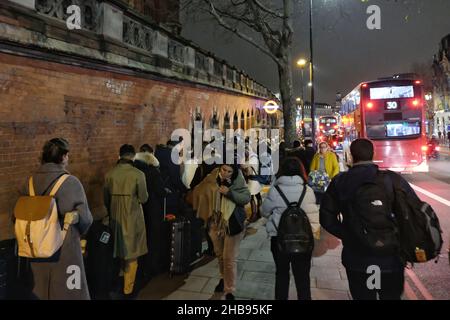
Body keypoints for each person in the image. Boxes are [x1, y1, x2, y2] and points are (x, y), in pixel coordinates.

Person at [320, 138, 421, 300]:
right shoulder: (392, 180)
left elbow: (326, 218)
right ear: (373, 154)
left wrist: (348, 234)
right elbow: (413, 211)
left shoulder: (340, 181)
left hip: (357, 258)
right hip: (391, 258)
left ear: (351, 156)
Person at [22, 138, 93, 299]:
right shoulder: (71, 182)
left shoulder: (29, 182)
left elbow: (17, 215)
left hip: (35, 249)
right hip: (64, 248)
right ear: (63, 157)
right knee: (70, 291)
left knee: (40, 290)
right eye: (67, 156)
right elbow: (85, 219)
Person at [261, 157, 320, 300]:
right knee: (303, 278)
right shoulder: (308, 190)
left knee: (281, 275)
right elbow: (313, 216)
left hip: (279, 239)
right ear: (301, 171)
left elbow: (264, 212)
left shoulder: (275, 190)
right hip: (303, 240)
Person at [192, 161, 251, 300]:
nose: (225, 173)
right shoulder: (211, 178)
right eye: (224, 169)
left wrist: (229, 192)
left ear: (234, 173)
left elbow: (246, 198)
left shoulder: (238, 181)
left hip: (231, 223)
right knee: (219, 254)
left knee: (229, 258)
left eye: (229, 171)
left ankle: (229, 290)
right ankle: (224, 278)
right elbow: (199, 190)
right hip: (214, 223)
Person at [104, 144, 148, 298]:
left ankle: (120, 282)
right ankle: (128, 290)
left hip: (115, 217)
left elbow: (106, 199)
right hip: (132, 216)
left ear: (120, 155)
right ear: (133, 156)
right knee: (132, 253)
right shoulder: (138, 174)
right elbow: (144, 198)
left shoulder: (109, 174)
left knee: (119, 251)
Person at [134, 144, 167, 280]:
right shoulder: (153, 172)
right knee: (154, 238)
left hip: (139, 210)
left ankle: (140, 267)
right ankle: (152, 267)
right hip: (153, 209)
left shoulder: (135, 170)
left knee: (141, 238)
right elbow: (160, 190)